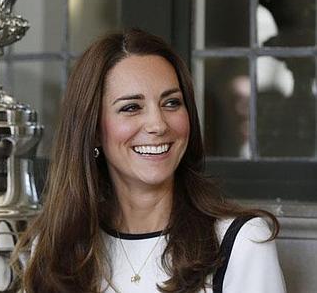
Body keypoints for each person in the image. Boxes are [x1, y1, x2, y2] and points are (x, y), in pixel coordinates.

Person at [16, 28, 286, 292]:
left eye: (171, 103)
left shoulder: (241, 241)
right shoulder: (55, 247)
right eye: (131, 107)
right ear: (95, 130)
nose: (158, 124)